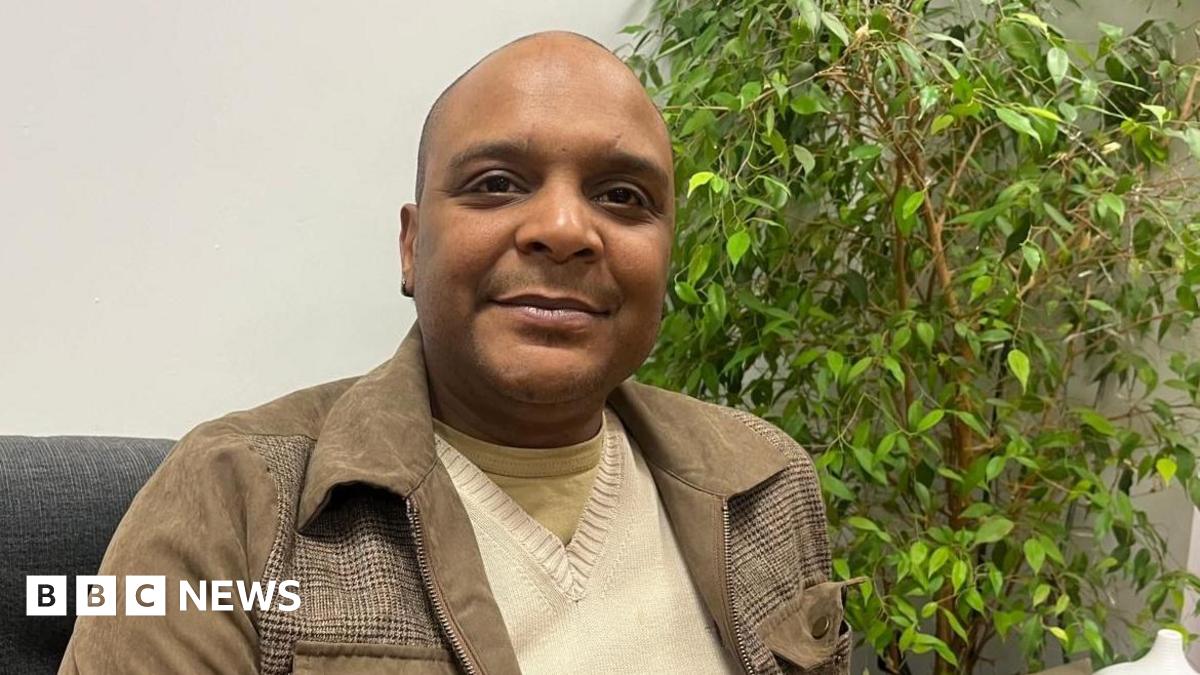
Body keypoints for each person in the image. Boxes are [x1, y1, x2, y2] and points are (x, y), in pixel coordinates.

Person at [61, 30, 859, 675]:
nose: (565, 229)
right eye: (497, 184)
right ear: (412, 248)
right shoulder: (230, 495)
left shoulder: (763, 479)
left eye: (623, 197)